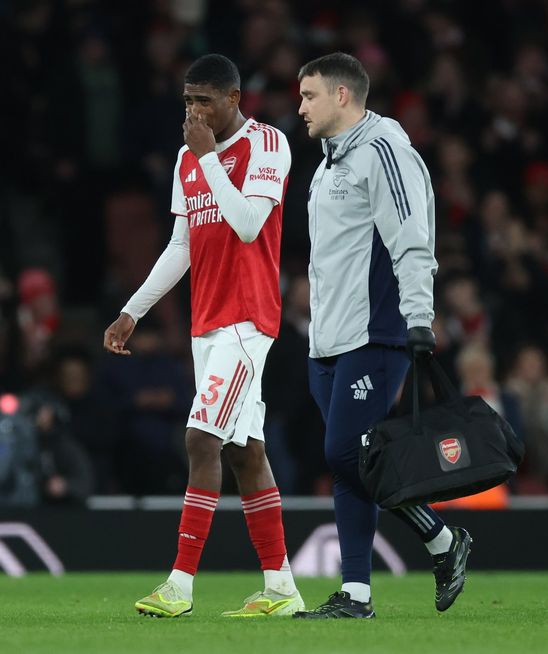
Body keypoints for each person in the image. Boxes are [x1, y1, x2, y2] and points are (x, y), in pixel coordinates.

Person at [103, 54, 303, 617]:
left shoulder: (267, 145)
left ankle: (179, 585)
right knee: (245, 452)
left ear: (234, 99)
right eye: (187, 100)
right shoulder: (188, 160)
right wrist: (132, 311)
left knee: (200, 439)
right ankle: (282, 588)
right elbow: (181, 247)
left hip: (248, 319)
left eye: (203, 101)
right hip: (206, 323)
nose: (192, 111)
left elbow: (247, 224)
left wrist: (209, 158)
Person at [292, 53, 472, 619]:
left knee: (346, 452)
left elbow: (413, 241)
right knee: (351, 463)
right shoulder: (327, 166)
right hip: (328, 340)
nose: (300, 107)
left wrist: (420, 318)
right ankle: (362, 591)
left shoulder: (385, 153)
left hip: (377, 333)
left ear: (342, 96)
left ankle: (436, 543)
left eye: (309, 96)